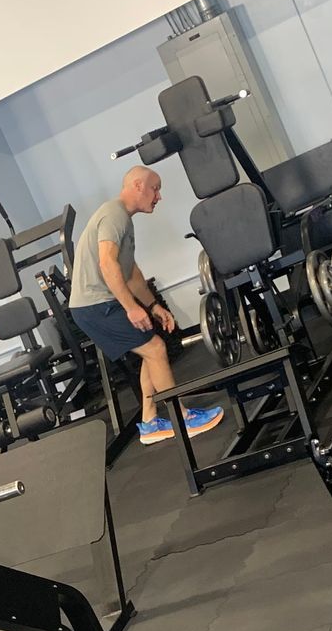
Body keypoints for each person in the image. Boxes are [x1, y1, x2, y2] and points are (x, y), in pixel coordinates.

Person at [68, 165, 225, 446]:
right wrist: (131, 307)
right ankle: (181, 417)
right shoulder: (113, 213)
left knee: (150, 348)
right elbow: (107, 264)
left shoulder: (123, 220)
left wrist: (153, 306)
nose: (159, 196)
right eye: (156, 188)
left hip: (99, 303)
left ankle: (151, 421)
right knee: (155, 348)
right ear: (138, 186)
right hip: (95, 305)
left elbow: (131, 274)